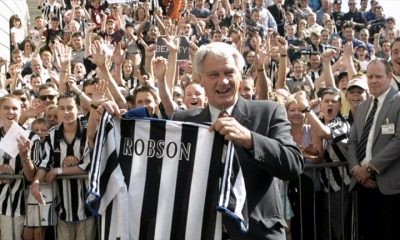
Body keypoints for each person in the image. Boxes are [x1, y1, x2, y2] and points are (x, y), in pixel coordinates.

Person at [172, 42, 304, 239]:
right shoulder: (183, 121)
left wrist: (250, 140)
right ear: (200, 80)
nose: (223, 81)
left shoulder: (268, 111)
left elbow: (293, 164)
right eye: (214, 75)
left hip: (258, 233)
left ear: (240, 75)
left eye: (229, 73)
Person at [348, 58, 400, 240]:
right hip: (363, 185)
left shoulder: (398, 101)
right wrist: (356, 170)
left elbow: (399, 141)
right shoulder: (363, 106)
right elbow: (352, 142)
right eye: (370, 77)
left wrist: (368, 169)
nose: (373, 81)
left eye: (378, 76)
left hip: (389, 188)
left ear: (389, 76)